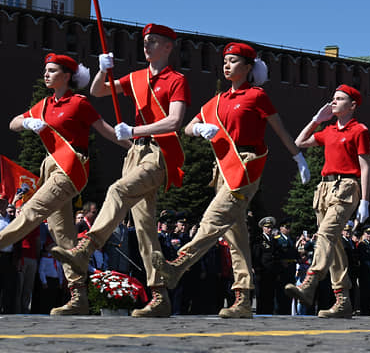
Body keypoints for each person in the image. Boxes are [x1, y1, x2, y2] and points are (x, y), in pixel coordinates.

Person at [151, 42, 308, 318]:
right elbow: (187, 127)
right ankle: (243, 299)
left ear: (248, 67)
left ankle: (177, 266)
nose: (226, 65)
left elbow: (280, 129)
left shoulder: (257, 96)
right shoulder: (217, 101)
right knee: (236, 237)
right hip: (222, 170)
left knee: (214, 217)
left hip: (246, 167)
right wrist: (199, 128)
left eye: (233, 61)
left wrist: (298, 158)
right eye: (225, 60)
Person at [51, 23, 189, 317]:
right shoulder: (137, 78)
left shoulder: (176, 79)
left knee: (118, 189)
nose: (146, 46)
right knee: (145, 230)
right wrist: (103, 68)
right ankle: (160, 296)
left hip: (158, 153)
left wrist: (135, 129)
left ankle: (85, 249)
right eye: (145, 42)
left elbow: (175, 121)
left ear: (168, 47)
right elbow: (98, 90)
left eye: (153, 42)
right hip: (135, 154)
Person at [5, 53, 125, 315]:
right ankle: (78, 296)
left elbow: (106, 130)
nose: (46, 74)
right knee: (65, 237)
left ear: (67, 76)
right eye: (45, 70)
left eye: (52, 70)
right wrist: (26, 122)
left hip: (71, 168)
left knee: (32, 211)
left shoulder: (78, 103)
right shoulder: (44, 105)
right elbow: (13, 123)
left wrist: (135, 146)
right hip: (51, 167)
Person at [286, 85, 370, 318]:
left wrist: (365, 201)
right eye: (333, 98)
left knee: (325, 234)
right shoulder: (329, 130)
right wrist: (316, 120)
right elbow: (299, 142)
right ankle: (343, 301)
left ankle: (310, 282)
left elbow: (365, 167)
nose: (334, 102)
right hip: (324, 189)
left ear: (352, 105)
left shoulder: (359, 130)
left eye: (340, 99)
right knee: (333, 245)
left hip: (346, 187)